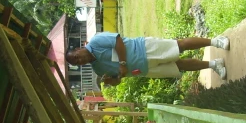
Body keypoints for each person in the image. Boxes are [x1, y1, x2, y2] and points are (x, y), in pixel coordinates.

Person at [64, 32, 230, 85]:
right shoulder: (97, 69)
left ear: (79, 49)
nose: (80, 61)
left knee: (179, 45)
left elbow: (117, 41)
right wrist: (113, 81)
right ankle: (214, 64)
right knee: (179, 66)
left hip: (144, 48)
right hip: (143, 69)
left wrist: (122, 63)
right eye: (77, 63)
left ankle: (216, 41)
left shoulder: (96, 41)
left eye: (77, 57)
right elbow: (119, 77)